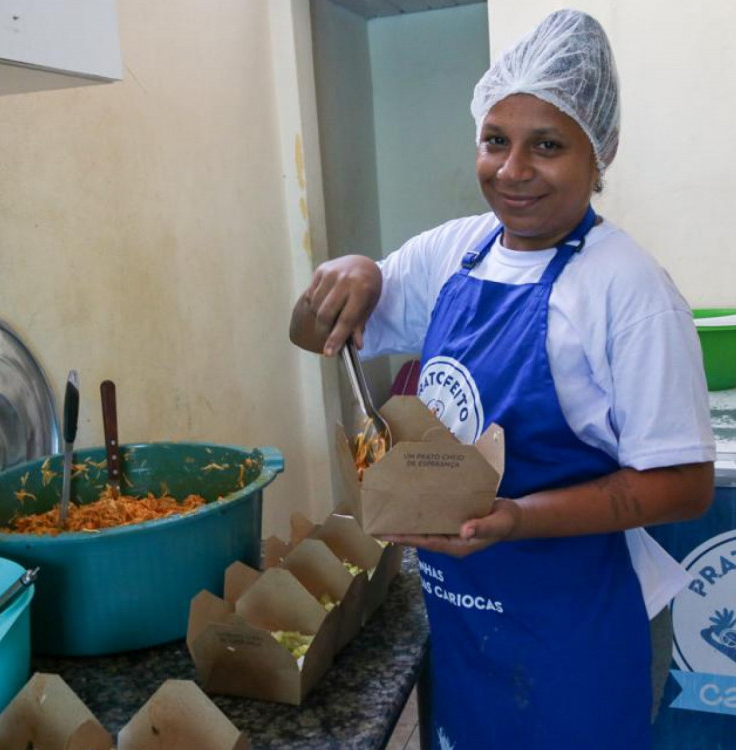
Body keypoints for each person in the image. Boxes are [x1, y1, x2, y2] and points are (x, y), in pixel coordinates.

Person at [289, 9, 714, 748]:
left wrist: (517, 519)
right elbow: (312, 333)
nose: (512, 171)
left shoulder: (628, 291)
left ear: (599, 152)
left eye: (546, 145)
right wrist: (345, 274)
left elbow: (684, 486)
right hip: (465, 609)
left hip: (579, 624)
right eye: (495, 140)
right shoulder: (457, 249)